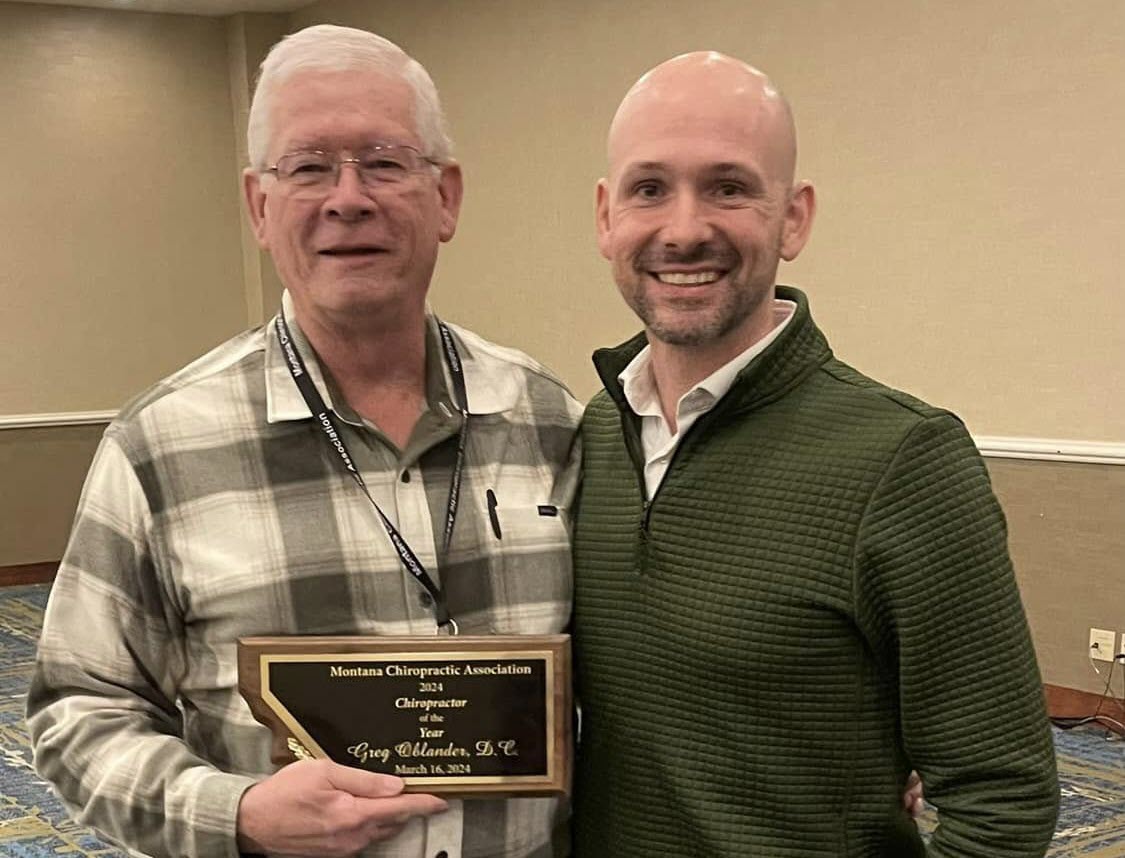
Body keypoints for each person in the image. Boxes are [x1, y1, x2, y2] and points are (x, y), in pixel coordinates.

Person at [27, 25, 580, 858]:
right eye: (309, 167)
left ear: (446, 198)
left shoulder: (548, 421)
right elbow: (77, 712)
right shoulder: (159, 446)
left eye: (384, 162)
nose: (347, 198)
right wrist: (237, 813)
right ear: (259, 206)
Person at [571, 52, 1059, 857]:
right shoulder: (588, 433)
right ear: (605, 217)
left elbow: (1001, 801)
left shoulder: (905, 458)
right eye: (648, 188)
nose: (683, 229)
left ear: (793, 218)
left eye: (728, 187)